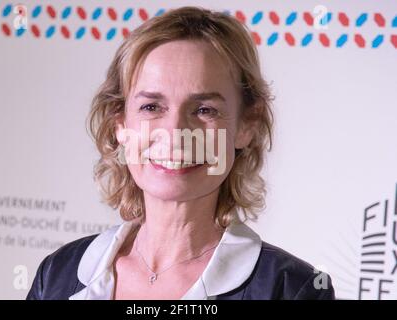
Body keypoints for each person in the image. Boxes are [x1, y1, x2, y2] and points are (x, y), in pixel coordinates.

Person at [27, 6, 335, 300]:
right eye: (151, 107)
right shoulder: (57, 273)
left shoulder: (291, 289)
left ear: (246, 125)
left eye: (204, 109)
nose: (175, 133)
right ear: (119, 122)